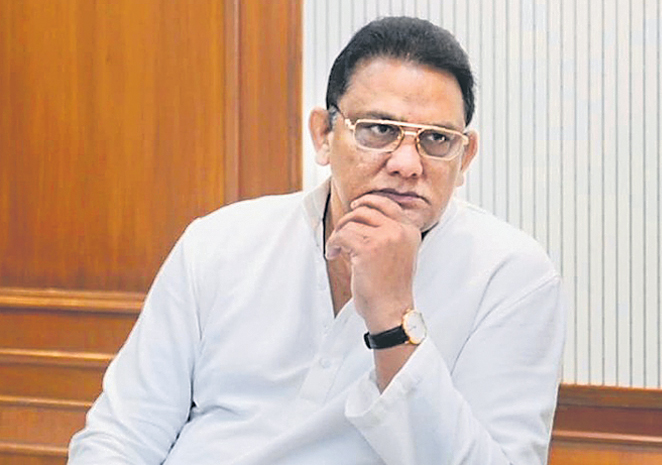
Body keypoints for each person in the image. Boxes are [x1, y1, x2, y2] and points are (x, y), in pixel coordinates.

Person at [68, 16, 564, 465]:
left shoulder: (512, 275)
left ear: (465, 156)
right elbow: (121, 435)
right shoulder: (219, 242)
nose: (407, 164)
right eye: (379, 129)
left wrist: (393, 318)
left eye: (436, 139)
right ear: (324, 135)